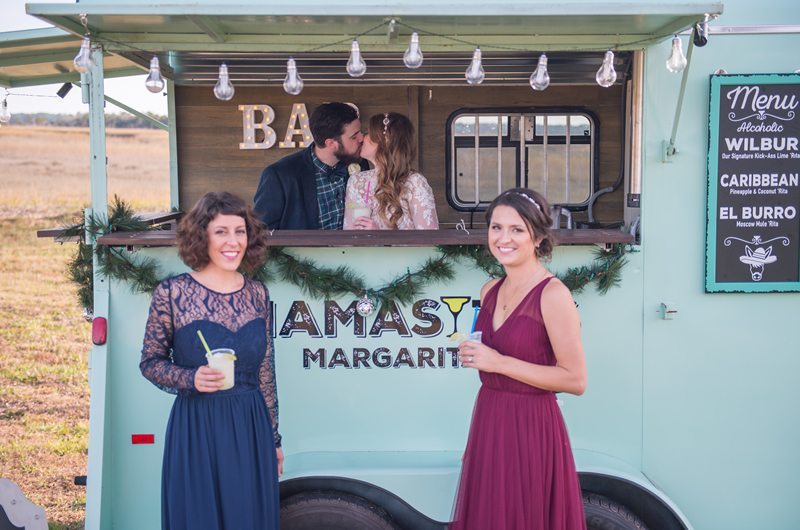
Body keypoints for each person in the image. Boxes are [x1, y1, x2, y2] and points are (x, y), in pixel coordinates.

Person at [140, 191, 282, 530]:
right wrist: (191, 379)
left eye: (240, 231)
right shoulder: (172, 293)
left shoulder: (258, 293)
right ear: (202, 235)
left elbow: (266, 371)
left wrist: (274, 440)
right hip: (197, 427)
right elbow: (150, 362)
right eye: (221, 231)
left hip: (251, 427)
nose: (233, 241)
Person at [451, 188, 587, 530]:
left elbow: (575, 379)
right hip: (490, 418)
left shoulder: (553, 294)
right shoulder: (489, 290)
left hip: (531, 428)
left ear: (538, 237)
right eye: (496, 228)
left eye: (516, 229)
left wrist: (498, 362)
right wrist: (478, 356)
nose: (503, 238)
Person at [253, 102, 366, 230]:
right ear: (330, 143)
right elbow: (260, 233)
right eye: (354, 136)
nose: (362, 138)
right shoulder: (279, 175)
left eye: (360, 132)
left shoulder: (362, 165)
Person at [343, 112, 438, 230]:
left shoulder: (415, 183)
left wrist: (381, 238)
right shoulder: (356, 181)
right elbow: (348, 233)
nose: (362, 138)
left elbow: (429, 240)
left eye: (368, 133)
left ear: (385, 141)